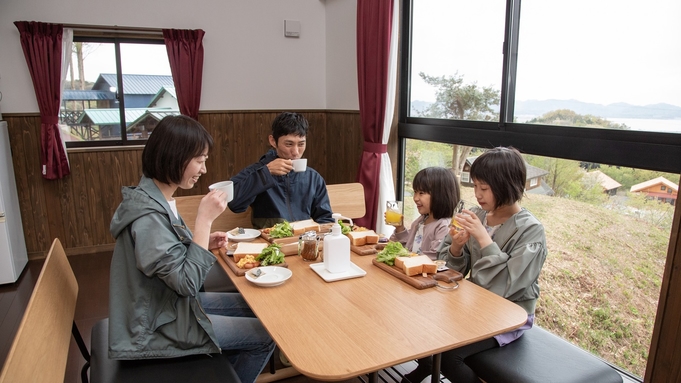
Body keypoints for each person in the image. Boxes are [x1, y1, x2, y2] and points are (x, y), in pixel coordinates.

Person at [108, 115, 275, 383]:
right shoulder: (148, 217)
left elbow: (167, 259)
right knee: (267, 336)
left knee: (252, 306)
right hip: (152, 329)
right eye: (200, 160)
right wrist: (204, 221)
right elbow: (187, 284)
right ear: (176, 157)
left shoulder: (153, 197)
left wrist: (200, 242)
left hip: (162, 307)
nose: (204, 170)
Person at [403, 147, 547, 383]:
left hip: (509, 314)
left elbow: (509, 285)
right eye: (476, 187)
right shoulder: (479, 216)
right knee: (421, 318)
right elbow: (451, 270)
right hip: (475, 305)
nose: (478, 195)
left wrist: (483, 238)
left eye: (485, 188)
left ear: (506, 185)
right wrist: (457, 248)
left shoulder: (530, 230)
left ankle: (434, 367)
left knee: (450, 355)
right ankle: (426, 366)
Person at [228, 112, 334, 229]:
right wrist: (266, 173)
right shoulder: (258, 171)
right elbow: (234, 204)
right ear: (273, 141)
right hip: (270, 242)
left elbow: (325, 219)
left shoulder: (313, 177)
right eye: (289, 144)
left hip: (304, 240)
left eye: (301, 144)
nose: (296, 152)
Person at [387, 166, 460, 260]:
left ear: (441, 195)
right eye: (415, 192)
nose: (415, 198)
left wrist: (407, 257)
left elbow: (435, 258)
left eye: (421, 193)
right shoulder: (421, 220)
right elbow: (407, 247)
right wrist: (400, 228)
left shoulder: (444, 226)